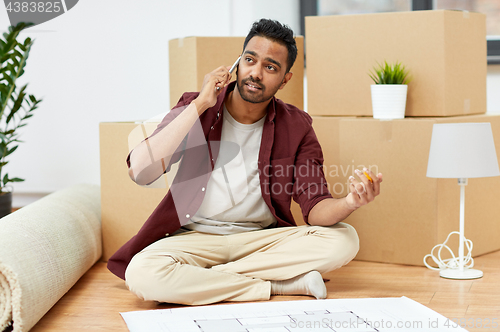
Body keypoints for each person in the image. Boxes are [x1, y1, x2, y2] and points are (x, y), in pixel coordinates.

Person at [107, 19, 383, 306]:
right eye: (250, 60)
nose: (256, 73)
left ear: (285, 78)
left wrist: (351, 202)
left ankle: (202, 279)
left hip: (260, 242)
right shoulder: (196, 106)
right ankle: (277, 285)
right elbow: (140, 172)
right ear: (237, 63)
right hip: (195, 238)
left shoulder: (297, 125)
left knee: (345, 239)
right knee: (141, 273)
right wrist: (200, 103)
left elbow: (314, 209)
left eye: (270, 67)